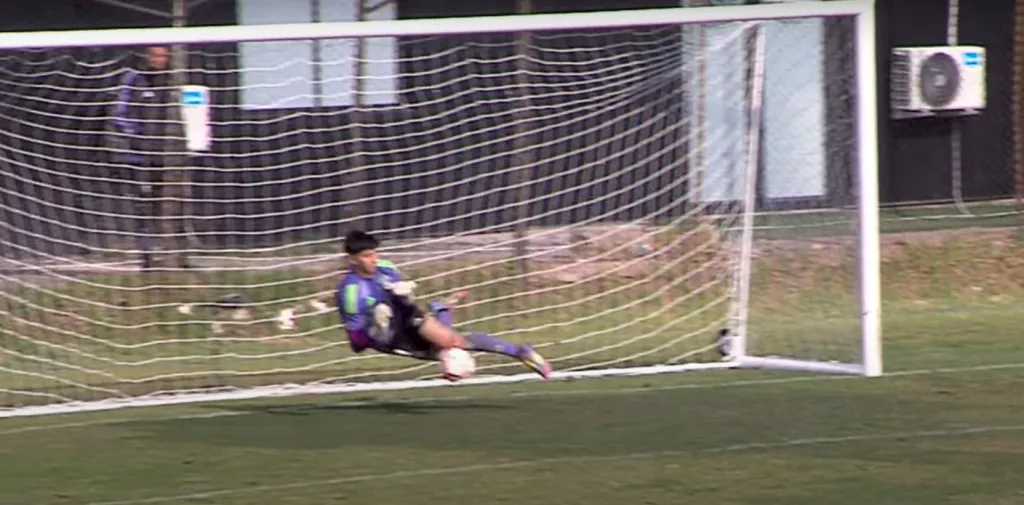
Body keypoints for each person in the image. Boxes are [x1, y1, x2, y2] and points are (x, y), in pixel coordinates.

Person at [336, 230, 552, 379]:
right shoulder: (351, 292)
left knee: (451, 343)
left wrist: (403, 296)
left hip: (408, 317)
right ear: (352, 259)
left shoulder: (386, 268)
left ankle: (520, 352)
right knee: (451, 347)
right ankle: (442, 315)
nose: (373, 259)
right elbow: (356, 343)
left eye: (374, 253)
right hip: (389, 338)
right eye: (366, 256)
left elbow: (406, 304)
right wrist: (376, 329)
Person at [110, 46, 187, 270]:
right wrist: (138, 139)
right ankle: (147, 257)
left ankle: (178, 256)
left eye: (164, 56)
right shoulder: (135, 80)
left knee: (174, 204)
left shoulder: (173, 81)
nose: (161, 59)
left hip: (170, 155)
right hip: (142, 157)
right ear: (147, 57)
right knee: (145, 206)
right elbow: (120, 115)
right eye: (156, 55)